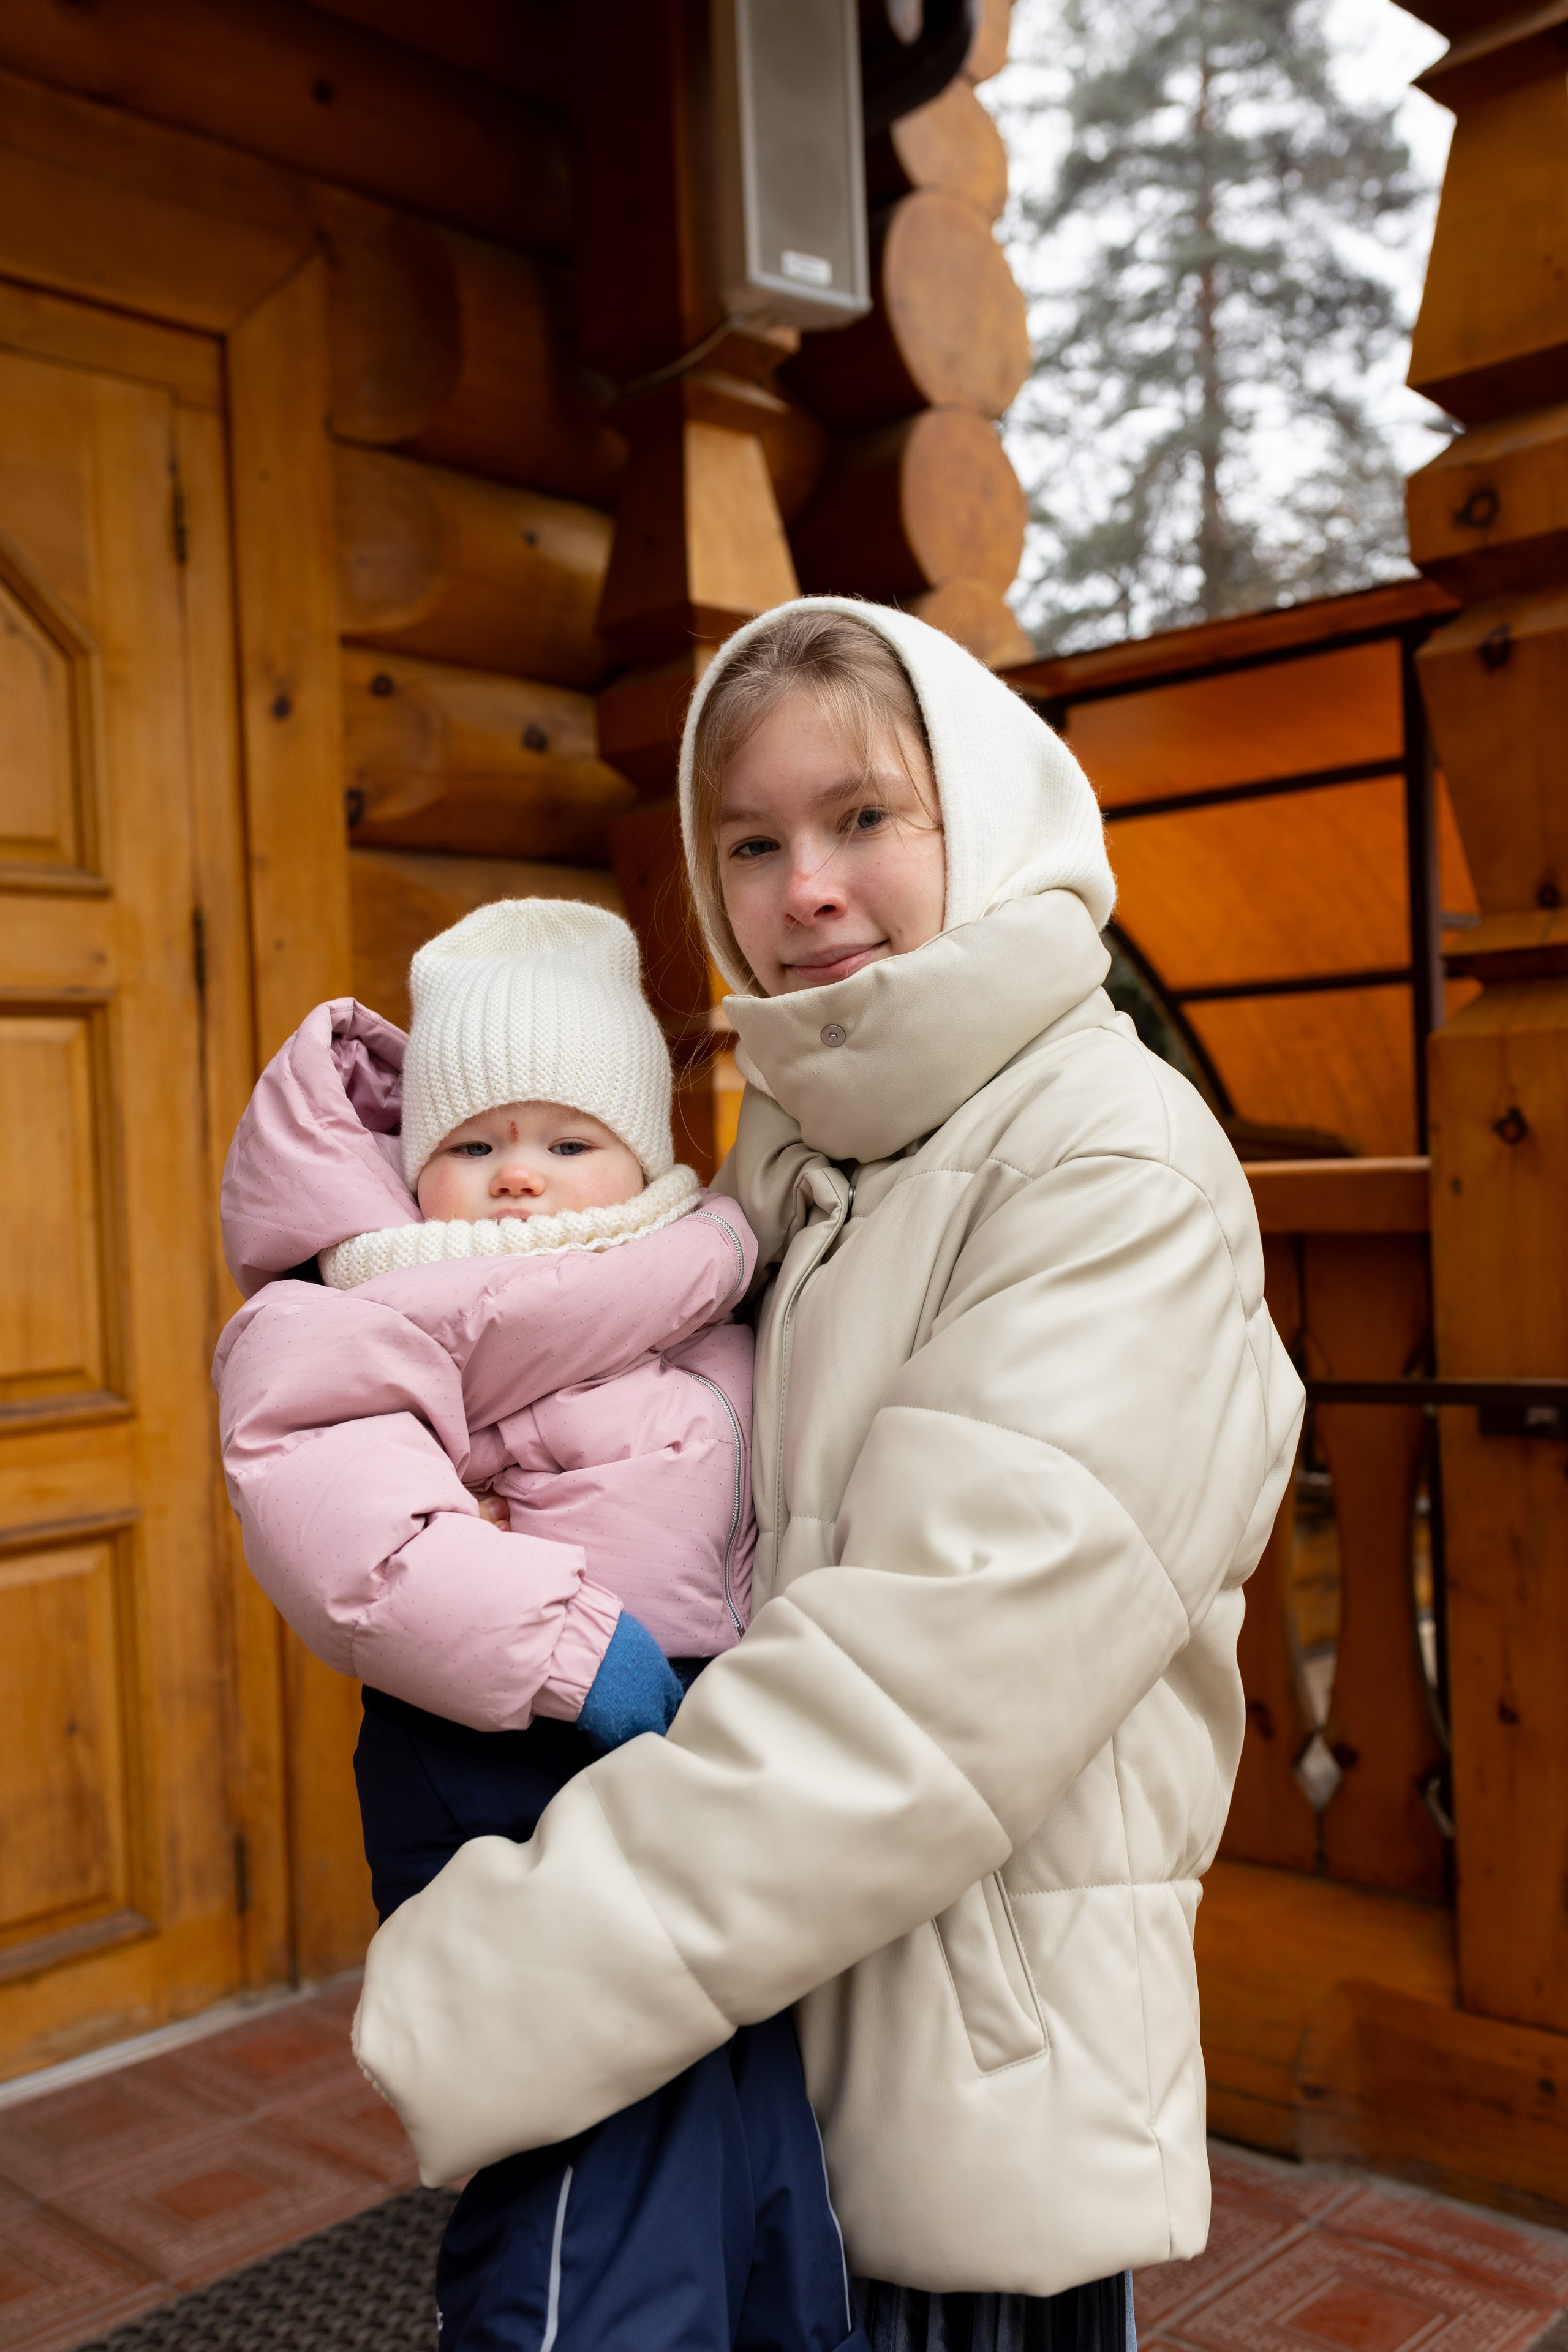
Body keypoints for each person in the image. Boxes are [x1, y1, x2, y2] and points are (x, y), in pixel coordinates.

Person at [350, 598, 1306, 2352]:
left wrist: (521, 1970)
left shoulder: (1107, 1163)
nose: (805, 888)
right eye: (754, 841)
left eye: (863, 818)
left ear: (980, 816)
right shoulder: (803, 1144)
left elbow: (926, 1688)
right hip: (777, 2038)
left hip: (969, 2083)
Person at [214, 899, 870, 2352]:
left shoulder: (704, 1293)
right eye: (473, 1145)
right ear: (412, 1170)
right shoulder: (363, 1314)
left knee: (751, 2128)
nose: (518, 1178)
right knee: (595, 2141)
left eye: (567, 1140)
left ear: (639, 1150)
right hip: (514, 1746)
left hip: (700, 1752)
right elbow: (349, 1524)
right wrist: (581, 1649)